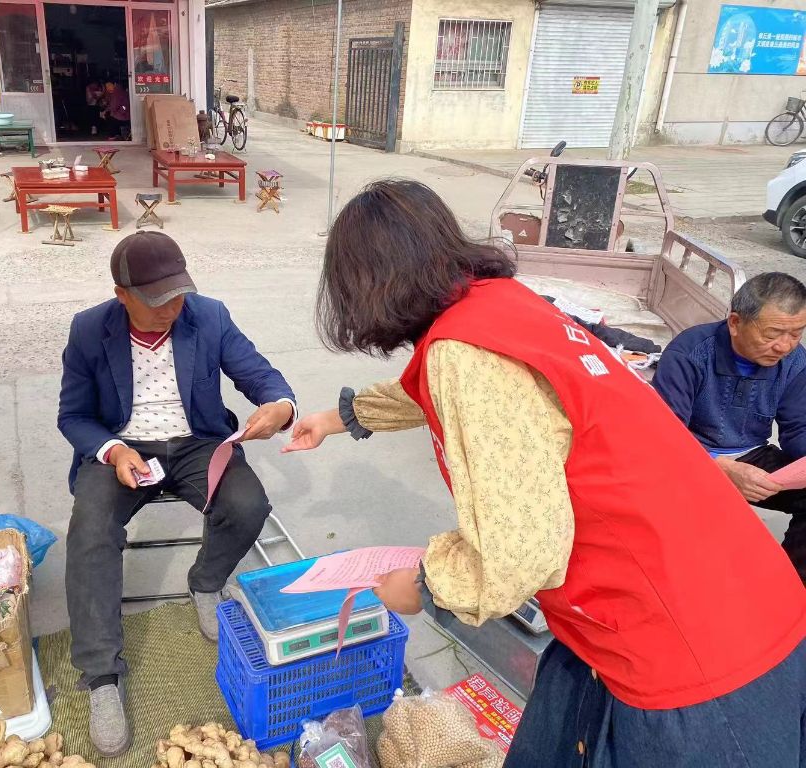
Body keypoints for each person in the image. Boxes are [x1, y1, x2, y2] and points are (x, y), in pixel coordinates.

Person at [284, 180, 806, 767]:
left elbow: (519, 553)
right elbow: (439, 387)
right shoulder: (499, 304)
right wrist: (340, 417)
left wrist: (427, 585)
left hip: (689, 648)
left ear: (367, 287)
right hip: (711, 588)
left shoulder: (464, 353)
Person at [57, 232, 296, 756]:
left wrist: (280, 405)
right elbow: (73, 416)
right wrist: (113, 451)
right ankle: (101, 676)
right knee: (90, 532)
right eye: (157, 299)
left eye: (179, 294)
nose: (173, 307)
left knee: (248, 504)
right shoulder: (89, 329)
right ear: (123, 295)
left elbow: (260, 375)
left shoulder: (208, 316)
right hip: (124, 446)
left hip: (196, 442)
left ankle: (205, 582)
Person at [653, 272, 806, 581]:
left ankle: (790, 589)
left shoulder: (794, 361)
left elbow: (797, 428)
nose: (784, 346)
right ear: (735, 323)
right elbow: (664, 436)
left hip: (751, 455)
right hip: (690, 458)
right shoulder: (689, 354)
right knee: (673, 534)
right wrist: (720, 468)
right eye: (773, 333)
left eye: (796, 334)